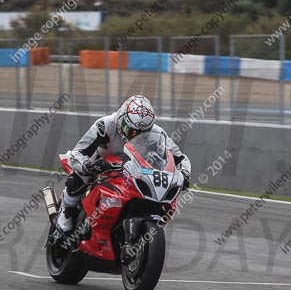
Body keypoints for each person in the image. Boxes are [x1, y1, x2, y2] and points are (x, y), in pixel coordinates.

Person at [55, 95, 192, 236]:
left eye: (142, 133)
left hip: (133, 169)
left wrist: (185, 173)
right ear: (121, 118)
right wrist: (88, 165)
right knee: (81, 175)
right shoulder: (105, 125)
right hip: (102, 164)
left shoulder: (157, 132)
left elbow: (181, 158)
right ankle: (66, 212)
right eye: (131, 131)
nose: (135, 136)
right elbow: (76, 153)